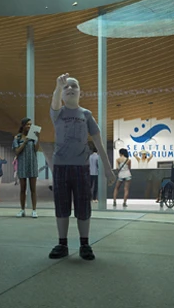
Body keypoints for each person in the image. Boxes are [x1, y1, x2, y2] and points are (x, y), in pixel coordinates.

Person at [49, 73, 116, 261]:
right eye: (66, 87)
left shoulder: (86, 115)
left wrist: (108, 169)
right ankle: (62, 243)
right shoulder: (58, 113)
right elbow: (54, 104)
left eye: (74, 86)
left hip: (81, 168)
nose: (70, 89)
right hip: (61, 168)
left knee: (83, 206)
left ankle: (84, 244)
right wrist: (57, 86)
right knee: (61, 206)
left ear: (80, 92)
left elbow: (99, 142)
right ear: (61, 94)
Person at [13, 118, 40, 218]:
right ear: (23, 125)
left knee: (33, 189)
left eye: (30, 125)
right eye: (27, 124)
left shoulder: (33, 137)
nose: (29, 126)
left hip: (32, 164)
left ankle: (34, 210)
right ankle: (22, 210)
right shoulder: (18, 138)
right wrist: (24, 142)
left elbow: (36, 149)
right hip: (22, 166)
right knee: (22, 189)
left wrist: (38, 138)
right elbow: (16, 151)